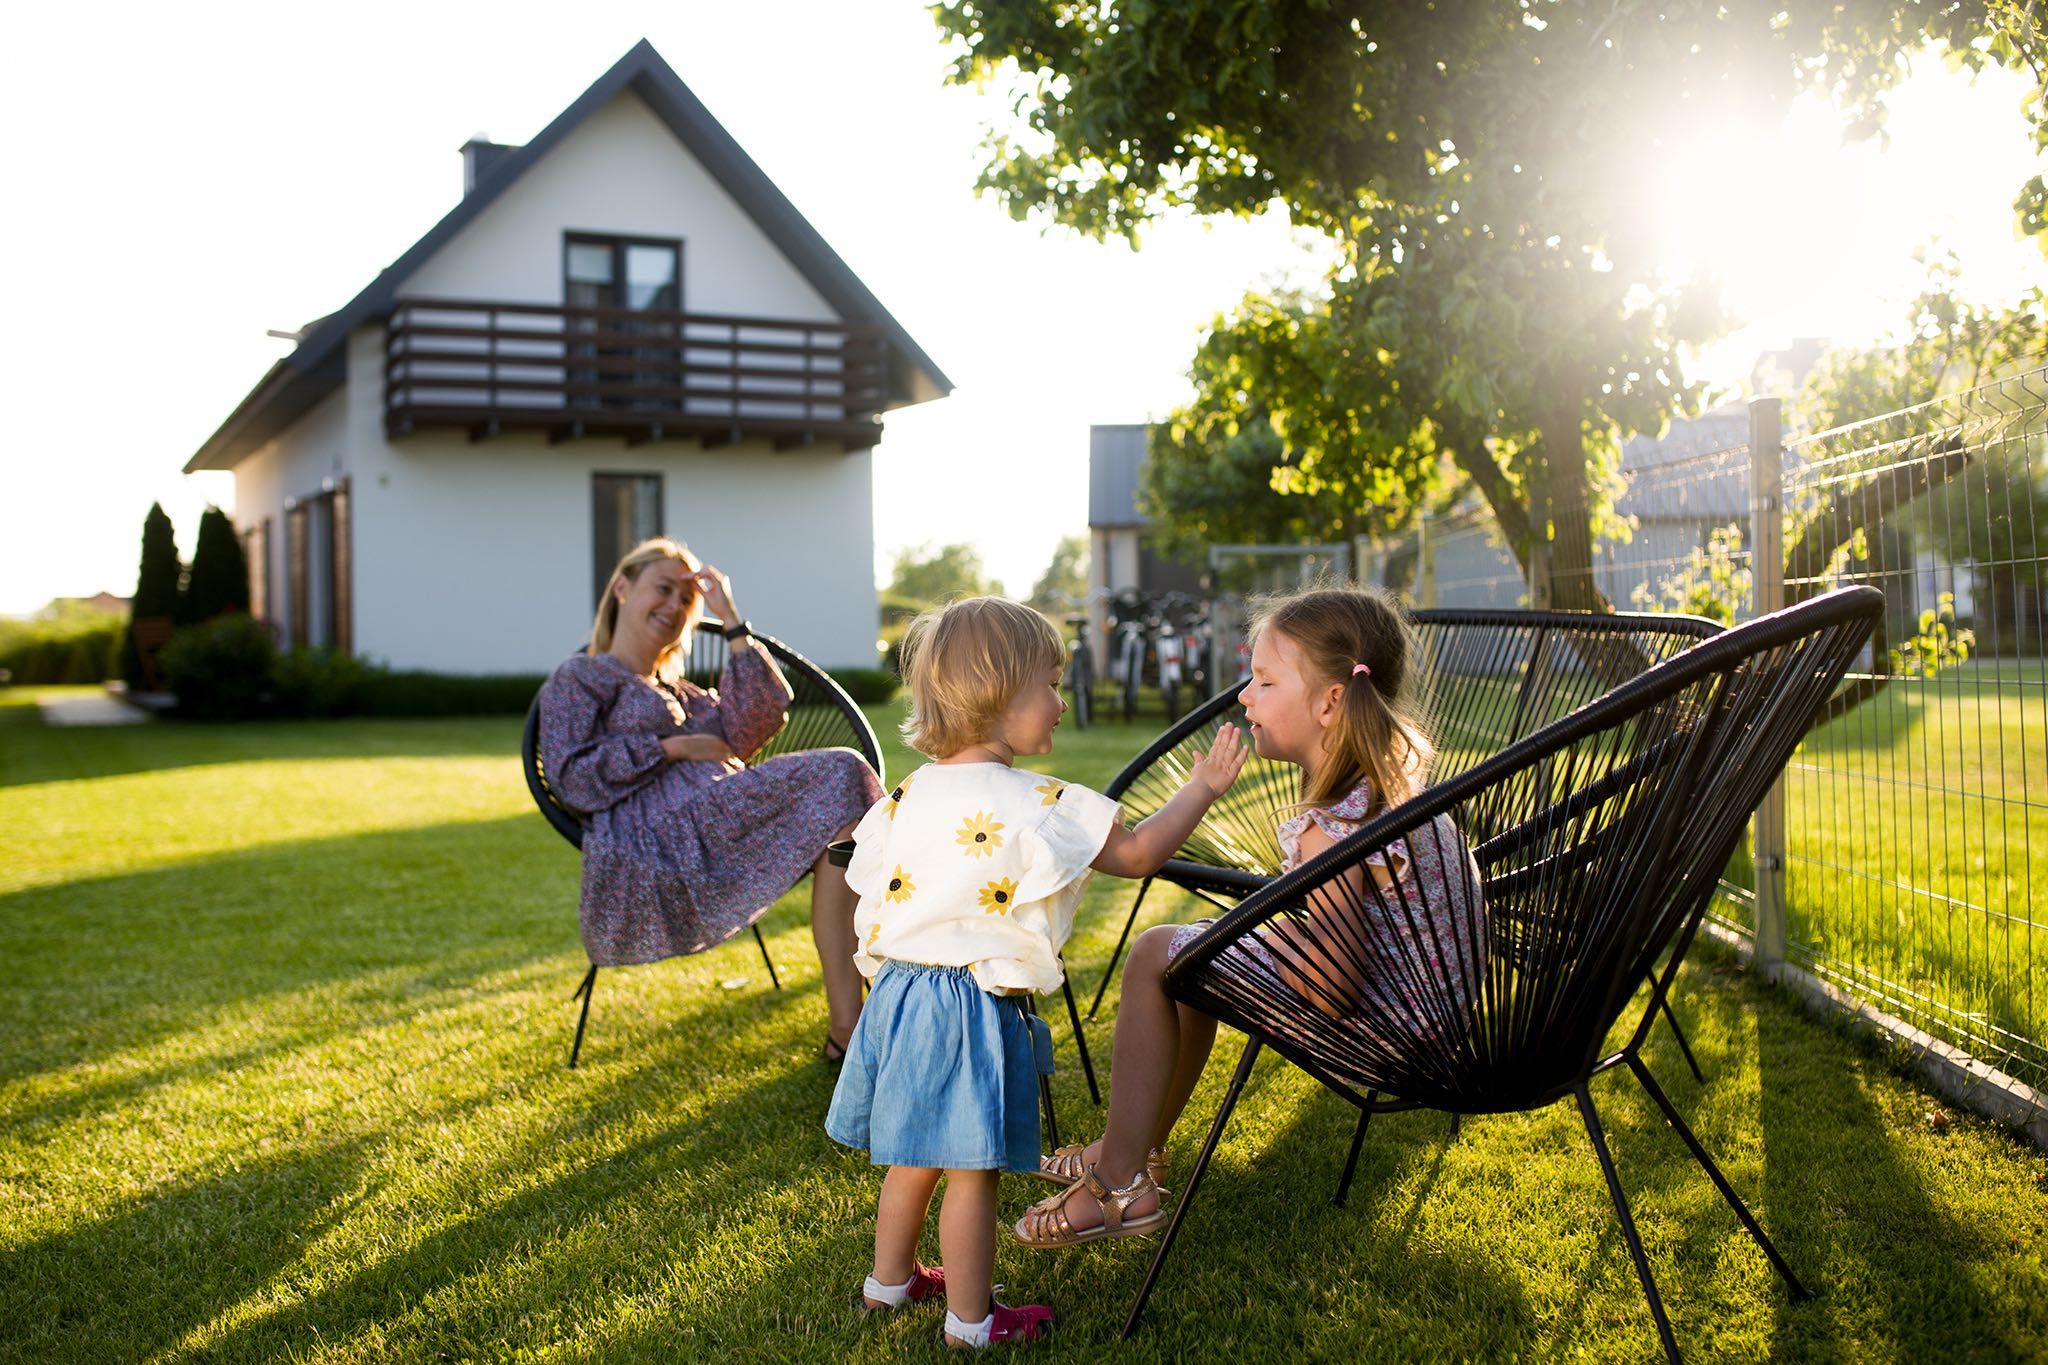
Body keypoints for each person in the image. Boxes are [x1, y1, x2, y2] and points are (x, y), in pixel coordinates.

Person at [824, 597, 1247, 1348]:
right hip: (968, 1003)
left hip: (900, 994)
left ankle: (887, 1284)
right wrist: (1204, 786)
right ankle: (973, 1321)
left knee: (913, 1156)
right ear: (996, 691)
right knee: (972, 1168)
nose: (1059, 703)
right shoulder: (1034, 801)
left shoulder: (907, 794)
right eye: (1049, 685)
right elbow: (1142, 854)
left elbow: (865, 884)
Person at [1013, 584, 1486, 1248]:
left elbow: (1331, 986)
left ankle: (1119, 1181)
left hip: (1393, 1037)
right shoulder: (1395, 792)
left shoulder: (1331, 828)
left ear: (1329, 701)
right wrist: (1258, 938)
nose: (1244, 696)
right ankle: (1137, 1146)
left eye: (1264, 681)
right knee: (1191, 953)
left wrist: (1259, 939)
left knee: (1158, 951)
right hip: (1441, 1022)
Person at [536, 537, 882, 1059]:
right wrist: (671, 747)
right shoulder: (582, 676)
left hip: (722, 814)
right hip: (664, 835)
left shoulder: (686, 694)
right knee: (844, 771)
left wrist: (731, 620)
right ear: (623, 589)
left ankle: (847, 1032)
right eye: (664, 589)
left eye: (686, 599)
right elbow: (570, 777)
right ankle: (857, 1030)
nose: (675, 605)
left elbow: (758, 721)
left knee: (845, 830)